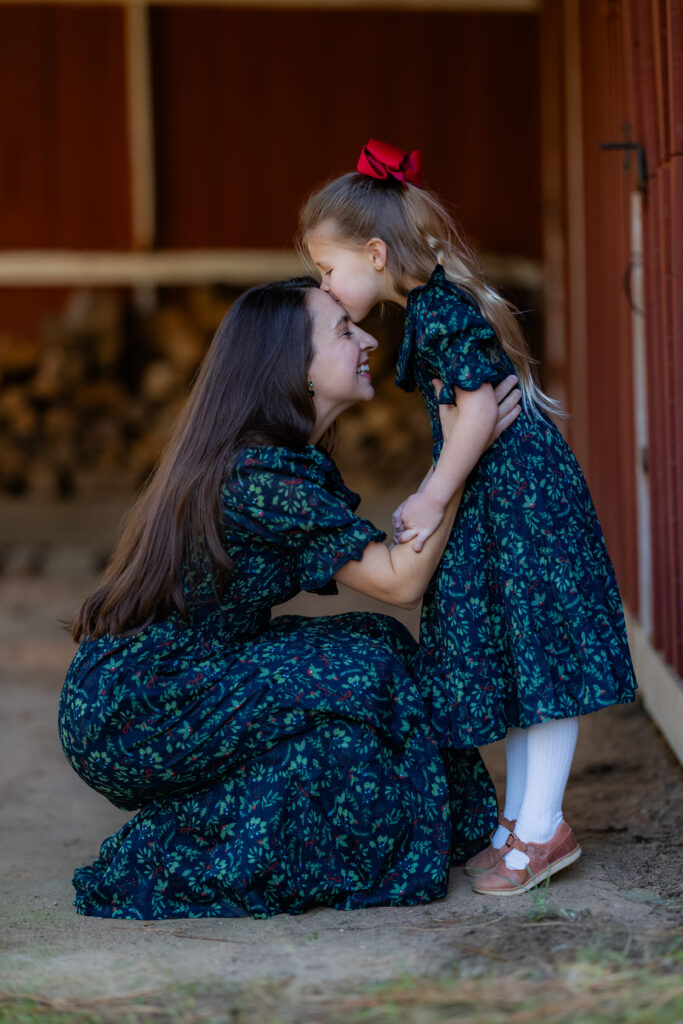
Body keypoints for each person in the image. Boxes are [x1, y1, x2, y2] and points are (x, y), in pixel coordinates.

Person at [58, 277, 521, 919]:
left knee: (373, 643)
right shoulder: (259, 475)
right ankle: (172, 850)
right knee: (366, 674)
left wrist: (456, 455)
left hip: (195, 668)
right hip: (138, 705)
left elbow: (387, 601)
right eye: (342, 330)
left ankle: (463, 832)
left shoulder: (281, 460)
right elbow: (399, 581)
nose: (365, 338)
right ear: (292, 368)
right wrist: (461, 450)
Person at [298, 139, 638, 896]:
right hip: (506, 499)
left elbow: (480, 406)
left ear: (375, 253)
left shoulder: (439, 311)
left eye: (327, 269)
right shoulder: (433, 305)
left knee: (541, 658)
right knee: (523, 656)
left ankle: (541, 824)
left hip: (521, 501)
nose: (323, 285)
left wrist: (429, 492)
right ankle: (520, 822)